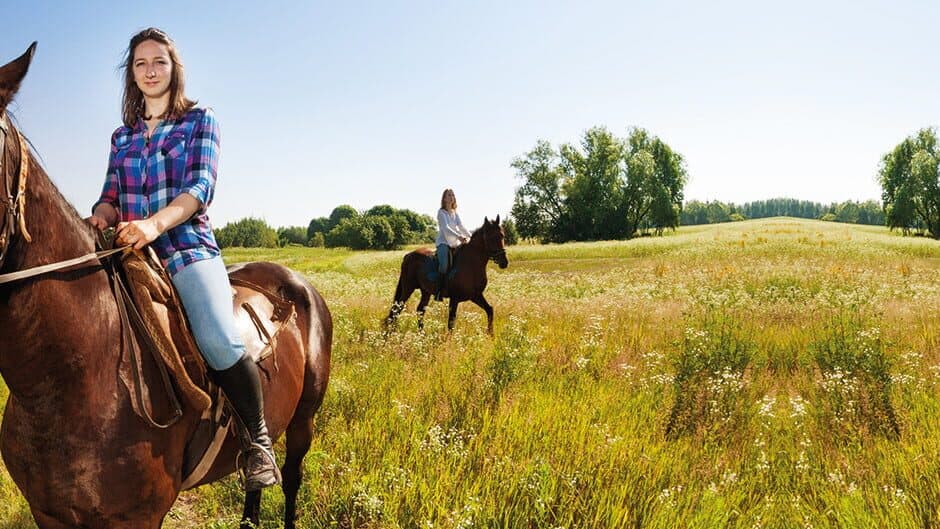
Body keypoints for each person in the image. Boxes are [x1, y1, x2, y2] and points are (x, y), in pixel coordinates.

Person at [85, 28, 279, 492]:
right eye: (140, 64)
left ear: (174, 69)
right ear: (131, 75)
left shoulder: (199, 120)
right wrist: (101, 213)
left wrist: (153, 225)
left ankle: (259, 442)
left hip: (186, 248)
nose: (150, 70)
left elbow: (200, 189)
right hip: (125, 249)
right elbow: (111, 194)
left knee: (215, 336)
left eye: (159, 62)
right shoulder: (122, 136)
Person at [434, 188, 471, 301]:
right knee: (444, 265)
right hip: (444, 243)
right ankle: (439, 291)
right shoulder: (441, 213)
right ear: (444, 199)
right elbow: (446, 228)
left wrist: (470, 236)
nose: (451, 197)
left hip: (455, 244)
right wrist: (459, 236)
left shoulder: (455, 213)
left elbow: (461, 226)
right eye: (449, 195)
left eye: (453, 195)